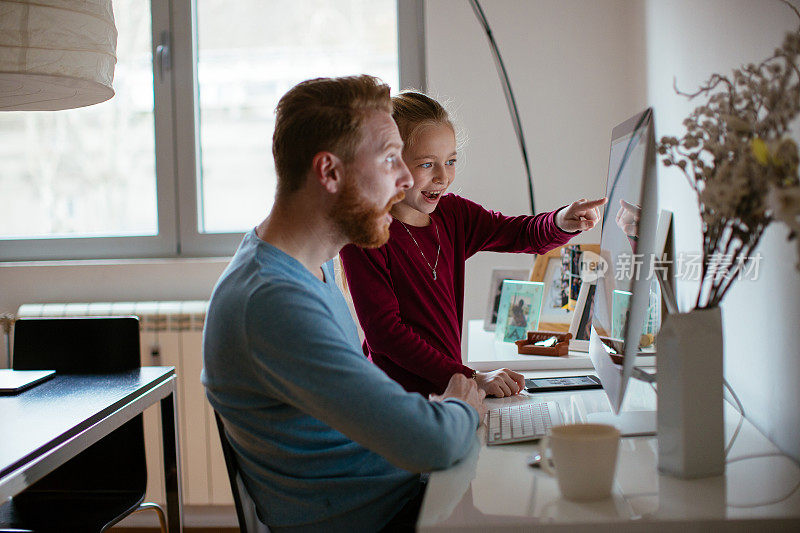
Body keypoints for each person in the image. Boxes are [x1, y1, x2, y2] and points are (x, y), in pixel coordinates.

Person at [202, 76, 486, 533]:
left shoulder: (312, 267)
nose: (405, 180)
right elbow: (431, 443)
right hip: (377, 517)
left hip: (396, 492)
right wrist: (459, 407)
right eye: (391, 160)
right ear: (330, 173)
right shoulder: (272, 302)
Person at [339, 91, 606, 399]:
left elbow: (519, 233)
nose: (443, 176)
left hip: (450, 394)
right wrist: (472, 378)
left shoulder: (454, 215)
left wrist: (561, 220)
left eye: (450, 161)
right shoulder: (366, 234)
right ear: (389, 165)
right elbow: (386, 335)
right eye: (427, 164)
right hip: (397, 403)